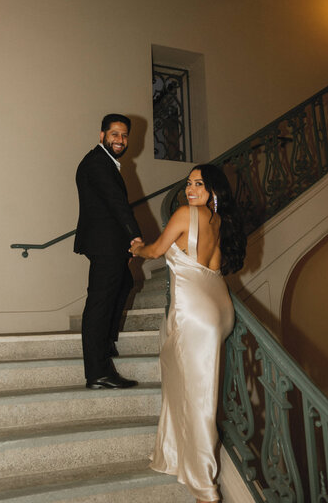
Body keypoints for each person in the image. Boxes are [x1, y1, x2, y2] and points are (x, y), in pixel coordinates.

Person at [129, 164, 247, 503]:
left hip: (195, 314)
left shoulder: (185, 213)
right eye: (189, 184)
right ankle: (172, 455)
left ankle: (204, 487)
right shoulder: (218, 221)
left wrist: (136, 247)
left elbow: (153, 252)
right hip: (219, 308)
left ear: (213, 191)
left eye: (199, 184)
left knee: (199, 399)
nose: (191, 190)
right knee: (178, 375)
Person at [74, 113, 142, 390]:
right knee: (99, 304)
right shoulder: (99, 163)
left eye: (124, 135)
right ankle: (98, 372)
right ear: (102, 135)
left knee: (124, 283)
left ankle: (106, 343)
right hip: (106, 243)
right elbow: (117, 203)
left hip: (106, 242)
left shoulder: (103, 162)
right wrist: (135, 236)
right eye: (114, 134)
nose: (120, 140)